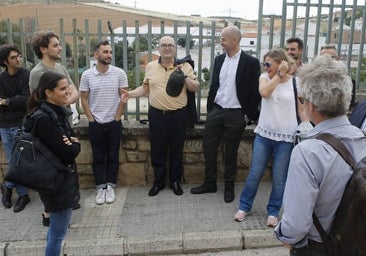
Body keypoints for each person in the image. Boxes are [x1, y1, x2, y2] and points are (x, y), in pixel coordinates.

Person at [274, 55, 366, 255]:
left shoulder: (308, 152)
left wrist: (284, 235)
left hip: (318, 247)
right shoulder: (362, 139)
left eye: (302, 99)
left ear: (312, 105)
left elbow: (296, 226)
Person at [234, 48, 306, 226]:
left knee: (279, 177)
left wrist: (308, 129)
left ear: (281, 62)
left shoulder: (297, 82)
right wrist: (278, 76)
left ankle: (273, 210)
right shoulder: (264, 78)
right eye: (264, 63)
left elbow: (302, 109)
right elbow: (265, 93)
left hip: (286, 137)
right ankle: (245, 206)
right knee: (255, 173)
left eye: (268, 64)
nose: (265, 67)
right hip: (264, 134)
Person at [121, 36, 199, 197]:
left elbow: (195, 88)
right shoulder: (150, 66)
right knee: (157, 150)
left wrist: (183, 75)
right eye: (164, 45)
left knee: (177, 151)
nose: (167, 48)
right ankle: (158, 183)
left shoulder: (184, 66)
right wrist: (130, 94)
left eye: (171, 45)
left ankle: (175, 182)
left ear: (175, 48)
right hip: (157, 115)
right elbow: (144, 88)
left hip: (178, 115)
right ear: (159, 48)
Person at [190, 25, 261, 203]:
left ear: (234, 41)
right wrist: (211, 108)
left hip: (237, 114)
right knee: (209, 147)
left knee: (230, 152)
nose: (220, 42)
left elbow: (255, 92)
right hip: (217, 110)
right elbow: (215, 85)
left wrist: (248, 116)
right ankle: (210, 183)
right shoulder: (219, 59)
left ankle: (229, 186)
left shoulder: (251, 62)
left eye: (223, 39)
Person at [24, 71, 80, 256]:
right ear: (48, 92)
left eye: (68, 87)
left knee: (55, 231)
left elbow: (66, 144)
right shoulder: (46, 119)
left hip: (58, 180)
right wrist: (74, 144)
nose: (68, 92)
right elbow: (68, 152)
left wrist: (70, 142)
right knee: (57, 234)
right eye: (63, 88)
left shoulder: (55, 113)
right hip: (57, 184)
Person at [30, 30, 81, 226]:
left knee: (66, 166)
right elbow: (40, 103)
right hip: (49, 127)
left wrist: (64, 100)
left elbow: (73, 90)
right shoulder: (38, 73)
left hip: (65, 122)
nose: (60, 48)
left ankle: (63, 206)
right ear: (43, 49)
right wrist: (65, 100)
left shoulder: (59, 66)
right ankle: (49, 213)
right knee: (51, 169)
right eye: (55, 45)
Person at [80, 40, 128, 204]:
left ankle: (110, 187)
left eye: (110, 52)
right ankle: (100, 188)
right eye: (105, 52)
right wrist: (91, 120)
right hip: (96, 123)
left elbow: (123, 97)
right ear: (96, 54)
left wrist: (117, 118)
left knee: (113, 155)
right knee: (98, 156)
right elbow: (84, 99)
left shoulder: (119, 73)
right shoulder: (87, 75)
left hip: (113, 122)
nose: (109, 55)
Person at [0, 44, 31, 212]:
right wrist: (13, 101)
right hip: (4, 124)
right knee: (13, 159)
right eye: (13, 57)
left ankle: (7, 186)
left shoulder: (26, 75)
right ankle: (22, 194)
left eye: (19, 56)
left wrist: (6, 101)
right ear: (5, 61)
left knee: (21, 159)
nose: (18, 59)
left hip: (21, 122)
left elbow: (26, 100)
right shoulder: (1, 79)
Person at [319, 44, 356, 109]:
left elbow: (349, 105)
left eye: (331, 57)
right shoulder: (312, 80)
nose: (328, 61)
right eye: (324, 58)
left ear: (337, 59)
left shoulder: (348, 82)